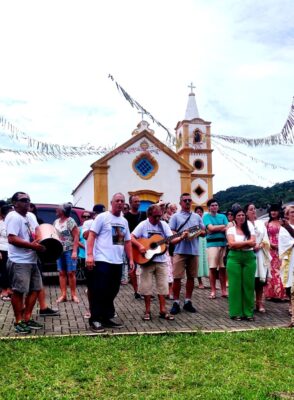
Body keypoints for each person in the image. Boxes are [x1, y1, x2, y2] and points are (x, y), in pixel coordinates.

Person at [86, 193, 134, 332]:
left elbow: (127, 241)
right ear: (111, 202)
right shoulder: (103, 217)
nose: (120, 203)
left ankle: (106, 317)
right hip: (102, 260)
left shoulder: (124, 221)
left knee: (113, 290)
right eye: (117, 200)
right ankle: (95, 319)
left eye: (122, 201)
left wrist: (130, 259)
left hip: (117, 261)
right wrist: (90, 255)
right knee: (98, 290)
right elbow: (92, 235)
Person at [131, 204, 185, 321]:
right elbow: (131, 237)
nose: (158, 219)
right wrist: (140, 246)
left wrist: (181, 237)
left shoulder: (164, 225)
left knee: (163, 287)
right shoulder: (143, 224)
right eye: (155, 216)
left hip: (161, 261)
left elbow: (171, 239)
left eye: (159, 216)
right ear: (149, 215)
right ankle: (147, 311)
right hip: (146, 261)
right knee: (146, 287)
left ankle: (163, 310)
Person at [5, 192, 45, 334]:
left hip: (32, 259)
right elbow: (12, 239)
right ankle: (18, 321)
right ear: (15, 203)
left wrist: (41, 240)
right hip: (19, 261)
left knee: (36, 289)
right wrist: (32, 246)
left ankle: (27, 317)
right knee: (19, 291)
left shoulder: (31, 216)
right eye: (23, 200)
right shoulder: (13, 217)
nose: (27, 202)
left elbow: (37, 230)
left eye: (28, 199)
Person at [169, 193, 205, 315]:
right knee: (177, 278)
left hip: (193, 251)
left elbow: (204, 232)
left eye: (190, 200)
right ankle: (176, 302)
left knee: (191, 277)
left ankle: (188, 301)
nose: (188, 202)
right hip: (179, 251)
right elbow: (171, 235)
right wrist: (182, 235)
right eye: (185, 200)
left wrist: (196, 232)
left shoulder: (196, 216)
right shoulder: (175, 217)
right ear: (180, 203)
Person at [28, 202, 60, 317]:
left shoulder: (35, 220)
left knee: (39, 283)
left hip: (36, 257)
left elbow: (42, 234)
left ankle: (43, 308)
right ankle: (23, 317)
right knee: (23, 289)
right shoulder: (16, 218)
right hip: (24, 259)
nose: (28, 207)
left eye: (30, 206)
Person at [226, 208, 256, 321]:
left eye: (243, 215)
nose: (241, 217)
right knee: (235, 285)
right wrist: (247, 243)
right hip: (234, 258)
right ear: (234, 217)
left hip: (249, 257)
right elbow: (231, 245)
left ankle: (248, 313)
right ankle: (236, 312)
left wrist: (241, 244)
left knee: (249, 285)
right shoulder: (230, 230)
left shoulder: (250, 227)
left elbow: (253, 243)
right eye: (238, 215)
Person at [245, 203, 271, 313]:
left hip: (260, 253)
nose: (253, 211)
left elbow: (265, 238)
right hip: (248, 253)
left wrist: (259, 245)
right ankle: (249, 303)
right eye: (251, 209)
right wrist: (251, 245)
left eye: (254, 209)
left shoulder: (260, 223)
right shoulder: (244, 224)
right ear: (246, 212)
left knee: (260, 281)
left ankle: (259, 303)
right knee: (249, 280)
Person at [82, 204, 105, 319]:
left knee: (105, 287)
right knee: (91, 287)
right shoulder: (88, 223)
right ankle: (91, 309)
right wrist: (95, 225)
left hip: (103, 259)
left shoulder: (107, 222)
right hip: (91, 259)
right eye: (98, 213)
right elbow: (86, 236)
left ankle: (105, 309)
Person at [53, 203, 79, 303]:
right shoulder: (56, 222)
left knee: (71, 273)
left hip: (70, 250)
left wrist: (75, 251)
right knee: (61, 272)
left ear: (63, 211)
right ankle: (63, 295)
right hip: (59, 250)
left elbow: (76, 236)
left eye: (58, 208)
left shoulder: (70, 221)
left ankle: (73, 295)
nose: (56, 210)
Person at [203, 199, 228, 299]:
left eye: (216, 205)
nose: (214, 207)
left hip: (223, 244)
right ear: (209, 207)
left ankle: (224, 291)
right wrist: (222, 227)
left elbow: (227, 228)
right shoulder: (206, 217)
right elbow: (210, 228)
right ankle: (213, 290)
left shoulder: (223, 216)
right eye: (212, 205)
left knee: (223, 268)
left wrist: (214, 228)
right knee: (212, 268)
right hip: (212, 244)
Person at [124, 195, 147, 299]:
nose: (138, 203)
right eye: (135, 201)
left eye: (139, 201)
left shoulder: (143, 215)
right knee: (132, 269)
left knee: (145, 268)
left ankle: (145, 290)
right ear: (130, 203)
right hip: (131, 245)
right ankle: (136, 291)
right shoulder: (126, 216)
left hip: (143, 245)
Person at [264, 204, 287, 301]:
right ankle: (271, 294)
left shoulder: (283, 222)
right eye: (271, 211)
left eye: (275, 210)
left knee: (282, 270)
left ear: (279, 212)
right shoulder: (266, 223)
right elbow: (264, 237)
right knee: (272, 271)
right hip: (271, 249)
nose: (273, 212)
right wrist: (271, 244)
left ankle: (282, 294)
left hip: (283, 249)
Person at [278, 205, 294, 327]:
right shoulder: (284, 229)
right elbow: (284, 242)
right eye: (292, 212)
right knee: (291, 286)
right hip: (290, 258)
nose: (293, 214)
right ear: (287, 214)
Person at [0, 203, 13, 301]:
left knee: (11, 271)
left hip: (12, 251)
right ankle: (4, 291)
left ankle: (9, 290)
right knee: (4, 271)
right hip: (3, 250)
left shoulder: (12, 222)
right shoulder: (1, 223)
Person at [195, 206, 209, 289]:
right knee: (199, 262)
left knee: (207, 261)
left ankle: (210, 281)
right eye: (197, 212)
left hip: (205, 241)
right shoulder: (194, 222)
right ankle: (200, 282)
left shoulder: (204, 221)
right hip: (197, 242)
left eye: (200, 212)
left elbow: (207, 231)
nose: (199, 213)